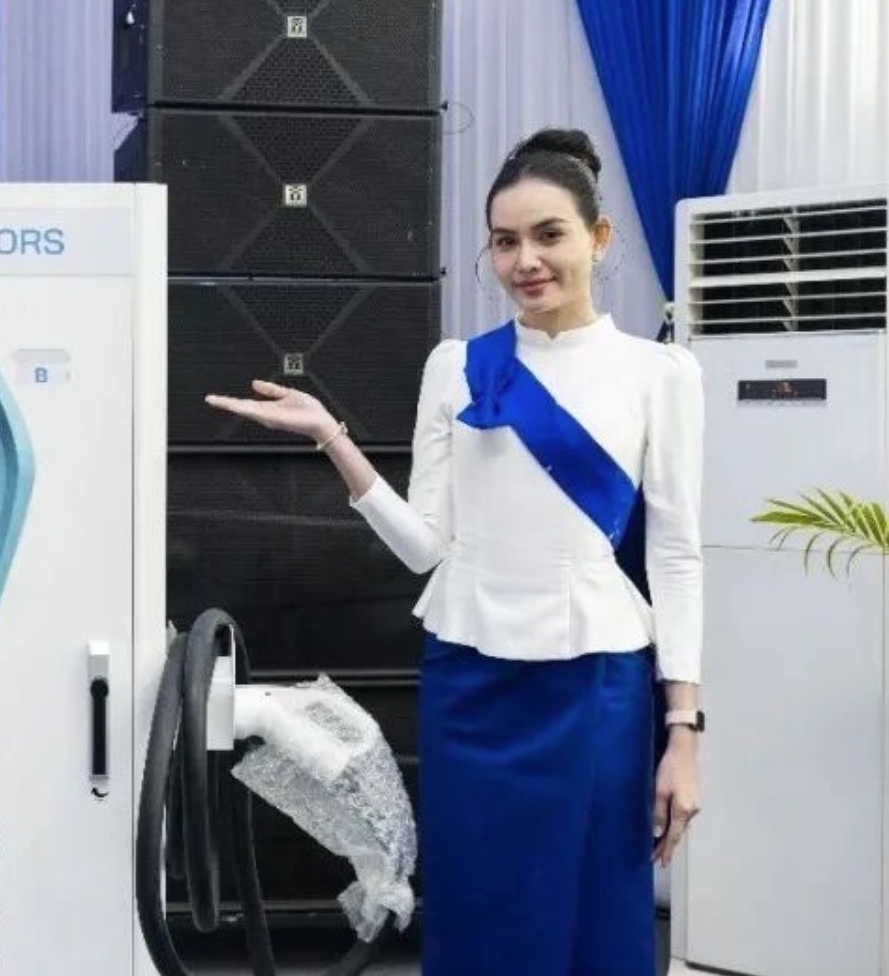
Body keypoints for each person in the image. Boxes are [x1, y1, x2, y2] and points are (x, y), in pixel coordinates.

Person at [207, 128, 704, 974]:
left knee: (593, 905)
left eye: (548, 234)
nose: (525, 261)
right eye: (505, 242)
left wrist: (684, 731)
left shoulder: (660, 373)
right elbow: (422, 548)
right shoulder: (458, 366)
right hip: (469, 681)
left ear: (599, 237)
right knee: (479, 906)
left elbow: (679, 557)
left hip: (596, 684)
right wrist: (331, 436)